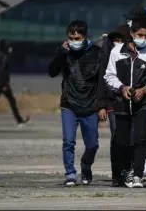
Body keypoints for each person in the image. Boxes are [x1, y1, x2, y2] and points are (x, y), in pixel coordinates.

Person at [104, 18, 146, 188]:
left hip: (143, 104)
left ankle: (137, 175)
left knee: (139, 139)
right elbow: (109, 75)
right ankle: (123, 173)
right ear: (132, 34)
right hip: (121, 104)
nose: (143, 38)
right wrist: (122, 88)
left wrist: (144, 89)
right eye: (139, 35)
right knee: (121, 142)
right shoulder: (117, 51)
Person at [48, 20, 105, 186]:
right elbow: (52, 72)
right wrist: (60, 54)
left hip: (90, 105)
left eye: (77, 38)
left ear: (85, 37)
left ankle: (86, 166)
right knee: (68, 141)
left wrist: (102, 105)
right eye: (71, 38)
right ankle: (70, 174)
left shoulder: (97, 53)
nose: (74, 41)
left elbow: (102, 81)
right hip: (69, 103)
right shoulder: (64, 51)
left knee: (93, 144)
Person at [97, 24, 132, 187]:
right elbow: (102, 82)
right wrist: (102, 105)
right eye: (115, 40)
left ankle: (129, 171)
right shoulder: (107, 55)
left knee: (132, 140)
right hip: (113, 103)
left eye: (121, 40)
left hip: (133, 103)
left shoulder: (135, 56)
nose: (117, 43)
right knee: (117, 138)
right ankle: (117, 175)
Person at [0, 39, 30, 128]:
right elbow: (1, 71)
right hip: (2, 83)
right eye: (8, 46)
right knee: (11, 100)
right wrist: (3, 84)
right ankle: (19, 121)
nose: (9, 48)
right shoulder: (3, 57)